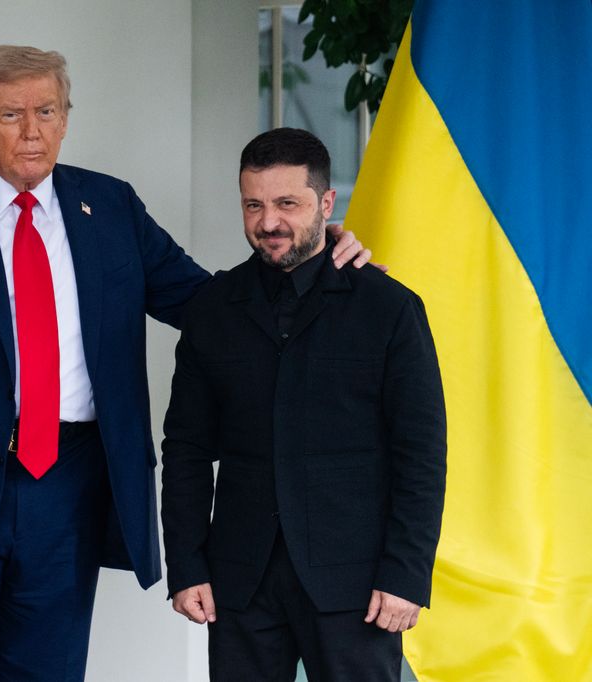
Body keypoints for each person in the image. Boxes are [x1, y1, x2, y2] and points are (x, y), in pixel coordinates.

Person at [0, 47, 370, 681]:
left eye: (47, 110)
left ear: (66, 119)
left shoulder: (110, 206)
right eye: (11, 114)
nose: (33, 130)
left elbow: (212, 306)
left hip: (69, 490)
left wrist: (319, 258)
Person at [161, 127, 447, 681]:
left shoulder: (389, 309)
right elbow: (187, 450)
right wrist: (187, 564)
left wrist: (406, 574)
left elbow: (422, 454)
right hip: (240, 582)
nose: (268, 223)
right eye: (254, 204)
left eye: (287, 203)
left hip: (358, 585)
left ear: (326, 202)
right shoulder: (214, 309)